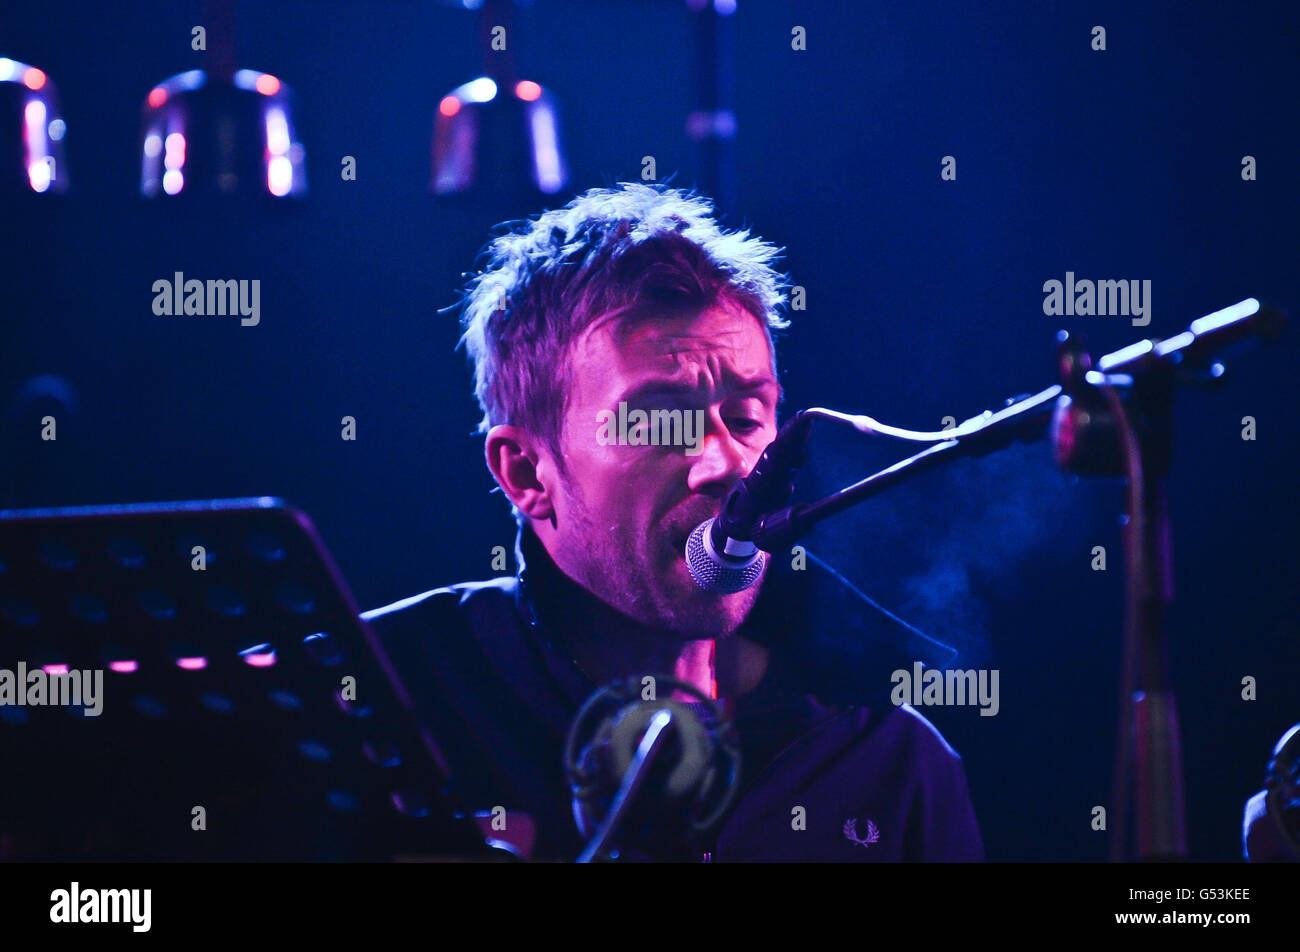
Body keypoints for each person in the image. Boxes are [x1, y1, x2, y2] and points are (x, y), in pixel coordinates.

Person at [363, 183, 984, 861]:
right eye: (661, 420)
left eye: (747, 418)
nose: (726, 464)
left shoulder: (890, 759)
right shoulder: (378, 698)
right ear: (525, 474)